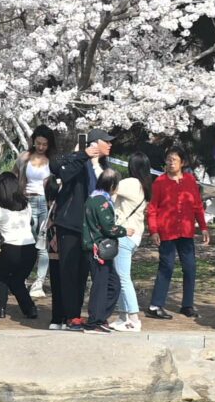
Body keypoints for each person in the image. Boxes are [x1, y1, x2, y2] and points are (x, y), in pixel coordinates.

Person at [45, 132, 107, 326]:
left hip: (92, 226)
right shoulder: (78, 163)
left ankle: (77, 313)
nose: (111, 145)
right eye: (107, 141)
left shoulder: (106, 167)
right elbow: (58, 168)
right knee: (69, 270)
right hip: (70, 223)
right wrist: (82, 155)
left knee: (83, 273)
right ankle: (69, 315)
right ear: (95, 144)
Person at [146, 148, 203, 320]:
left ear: (182, 163)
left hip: (185, 231)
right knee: (166, 266)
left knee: (190, 267)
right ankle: (156, 305)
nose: (171, 163)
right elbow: (152, 208)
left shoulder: (190, 180)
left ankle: (187, 304)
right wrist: (153, 230)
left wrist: (203, 226)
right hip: (167, 231)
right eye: (169, 160)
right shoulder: (160, 182)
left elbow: (197, 205)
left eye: (174, 160)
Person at [0, 170, 39, 321]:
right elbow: (31, 223)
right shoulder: (26, 205)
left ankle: (0, 309)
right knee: (17, 280)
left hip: (11, 247)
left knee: (1, 277)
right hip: (30, 247)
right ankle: (30, 309)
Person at [82, 165, 124, 330]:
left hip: (98, 249)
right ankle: (95, 321)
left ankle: (100, 317)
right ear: (112, 185)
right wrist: (124, 231)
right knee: (101, 284)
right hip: (97, 249)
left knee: (113, 284)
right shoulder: (101, 202)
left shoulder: (94, 197)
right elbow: (109, 227)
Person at [110, 159, 147, 330]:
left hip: (125, 235)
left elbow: (110, 188)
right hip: (135, 234)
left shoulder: (131, 182)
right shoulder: (144, 185)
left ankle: (133, 318)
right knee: (120, 276)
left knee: (123, 277)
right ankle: (123, 316)